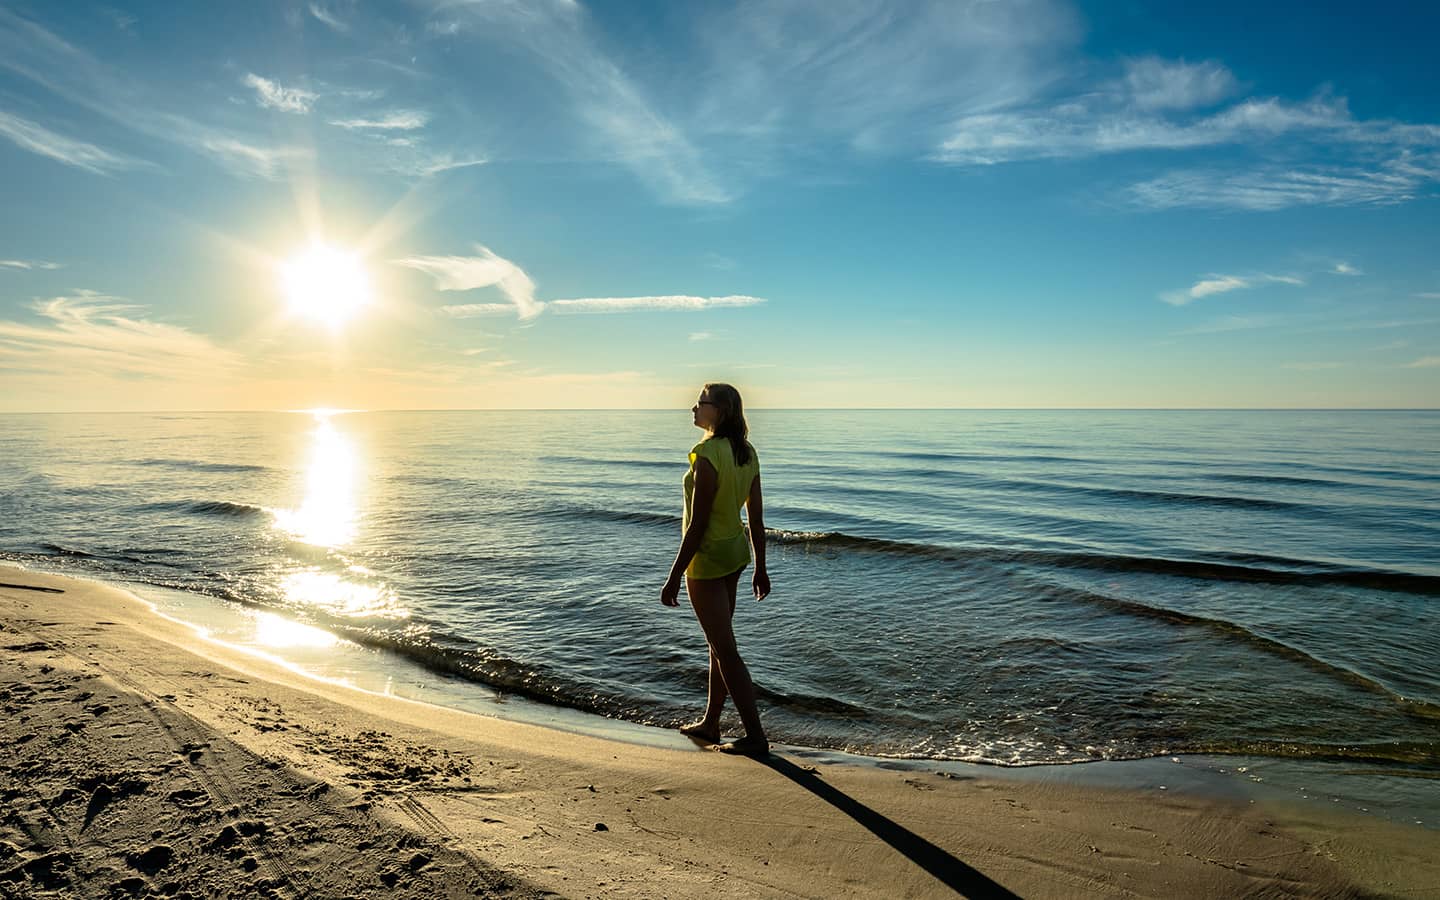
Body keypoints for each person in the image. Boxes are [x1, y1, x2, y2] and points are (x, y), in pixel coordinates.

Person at [660, 383, 771, 756]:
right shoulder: (746, 452)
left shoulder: (706, 453)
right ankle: (711, 723)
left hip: (706, 561)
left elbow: (698, 523)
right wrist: (760, 567)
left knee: (725, 648)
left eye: (700, 402)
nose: (693, 407)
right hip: (735, 557)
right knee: (717, 645)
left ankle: (755, 737)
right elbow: (755, 519)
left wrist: (675, 573)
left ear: (719, 411)